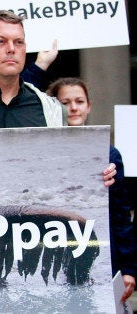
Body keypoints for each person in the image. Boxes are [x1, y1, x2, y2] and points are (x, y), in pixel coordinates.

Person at [47, 77, 136, 303]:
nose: (74, 107)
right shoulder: (45, 151)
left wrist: (128, 268)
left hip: (100, 252)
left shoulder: (109, 154)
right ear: (53, 105)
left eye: (79, 101)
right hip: (55, 249)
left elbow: (120, 215)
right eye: (65, 102)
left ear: (89, 105)